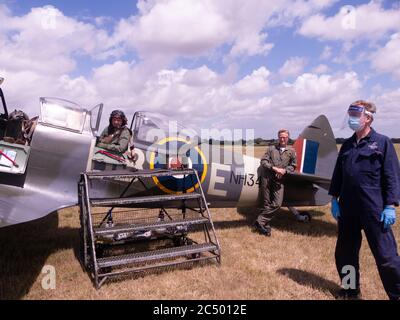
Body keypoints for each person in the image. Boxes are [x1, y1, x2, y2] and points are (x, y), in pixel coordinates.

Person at [329, 100, 400, 300]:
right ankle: (351, 290)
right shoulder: (347, 145)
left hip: (374, 209)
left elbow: (392, 175)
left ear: (367, 118)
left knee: (386, 257)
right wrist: (334, 199)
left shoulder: (382, 142)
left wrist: (389, 206)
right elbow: (338, 175)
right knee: (346, 254)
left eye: (355, 115)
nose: (351, 119)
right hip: (348, 209)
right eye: (350, 115)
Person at [254, 129, 297, 236]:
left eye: (285, 137)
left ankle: (259, 221)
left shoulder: (291, 151)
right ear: (278, 137)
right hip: (267, 178)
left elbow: (293, 165)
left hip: (279, 180)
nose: (282, 139)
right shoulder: (271, 148)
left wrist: (284, 170)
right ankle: (264, 226)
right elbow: (263, 161)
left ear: (288, 138)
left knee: (277, 204)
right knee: (266, 204)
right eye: (281, 137)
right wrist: (274, 168)